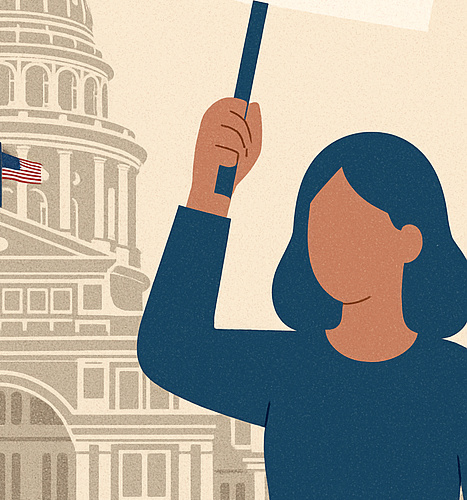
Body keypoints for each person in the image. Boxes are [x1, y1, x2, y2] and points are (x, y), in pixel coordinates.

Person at [137, 97, 467, 498]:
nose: (328, 246)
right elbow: (171, 351)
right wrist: (210, 190)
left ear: (409, 241)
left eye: (350, 227)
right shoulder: (288, 368)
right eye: (318, 227)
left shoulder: (454, 381)